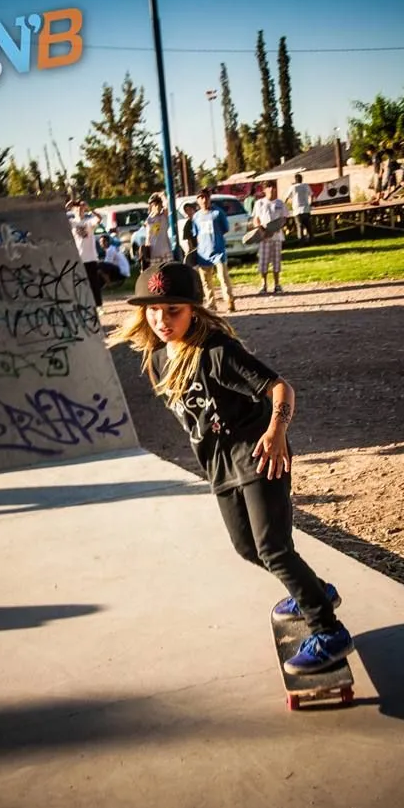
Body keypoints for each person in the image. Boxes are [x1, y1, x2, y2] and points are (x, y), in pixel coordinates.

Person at [109, 260, 354, 675]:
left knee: (274, 548)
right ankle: (315, 591)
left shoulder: (216, 351)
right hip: (220, 465)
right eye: (155, 310)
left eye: (174, 311)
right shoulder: (159, 355)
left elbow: (280, 387)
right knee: (246, 547)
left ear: (194, 310)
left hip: (260, 456)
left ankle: (328, 630)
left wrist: (277, 430)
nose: (163, 320)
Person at [192, 188, 236, 313]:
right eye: (201, 197)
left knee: (223, 277)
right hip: (203, 253)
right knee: (206, 281)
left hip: (218, 251)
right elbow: (196, 234)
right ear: (198, 200)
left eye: (206, 197)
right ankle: (211, 303)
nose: (204, 200)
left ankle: (229, 302)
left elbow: (225, 228)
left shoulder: (217, 213)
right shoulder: (196, 217)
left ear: (209, 198)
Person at [252, 180, 289, 294]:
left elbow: (284, 219)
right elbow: (256, 219)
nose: (271, 189)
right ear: (264, 190)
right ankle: (264, 284)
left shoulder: (280, 203)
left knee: (276, 262)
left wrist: (277, 228)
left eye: (273, 187)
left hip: (277, 236)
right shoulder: (260, 203)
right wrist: (261, 230)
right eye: (268, 187)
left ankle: (277, 284)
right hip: (264, 237)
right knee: (263, 261)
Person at [66, 199, 104, 310]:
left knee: (94, 283)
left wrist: (90, 208)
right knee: (78, 283)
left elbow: (99, 218)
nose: (79, 210)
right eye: (77, 208)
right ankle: (82, 304)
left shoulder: (89, 222)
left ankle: (98, 305)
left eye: (81, 208)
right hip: (78, 258)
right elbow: (59, 219)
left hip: (90, 257)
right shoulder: (72, 222)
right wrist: (67, 206)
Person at [283, 173, 314, 244]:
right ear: (301, 179)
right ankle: (311, 240)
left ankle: (301, 241)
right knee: (308, 226)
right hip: (306, 209)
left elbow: (286, 198)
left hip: (297, 210)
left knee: (299, 226)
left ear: (295, 179)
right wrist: (310, 204)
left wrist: (284, 206)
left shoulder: (293, 187)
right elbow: (311, 195)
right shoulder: (306, 186)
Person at [145, 192, 172, 269]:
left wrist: (162, 195)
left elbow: (168, 205)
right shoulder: (149, 220)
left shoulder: (164, 216)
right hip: (154, 253)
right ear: (151, 207)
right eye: (154, 205)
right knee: (156, 275)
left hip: (166, 252)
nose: (157, 207)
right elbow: (148, 237)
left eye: (158, 204)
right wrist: (146, 251)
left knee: (168, 272)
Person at [181, 200, 198, 264]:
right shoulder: (187, 224)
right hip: (195, 248)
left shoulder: (199, 220)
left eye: (190, 209)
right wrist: (191, 251)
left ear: (194, 210)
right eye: (187, 210)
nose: (189, 212)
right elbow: (188, 240)